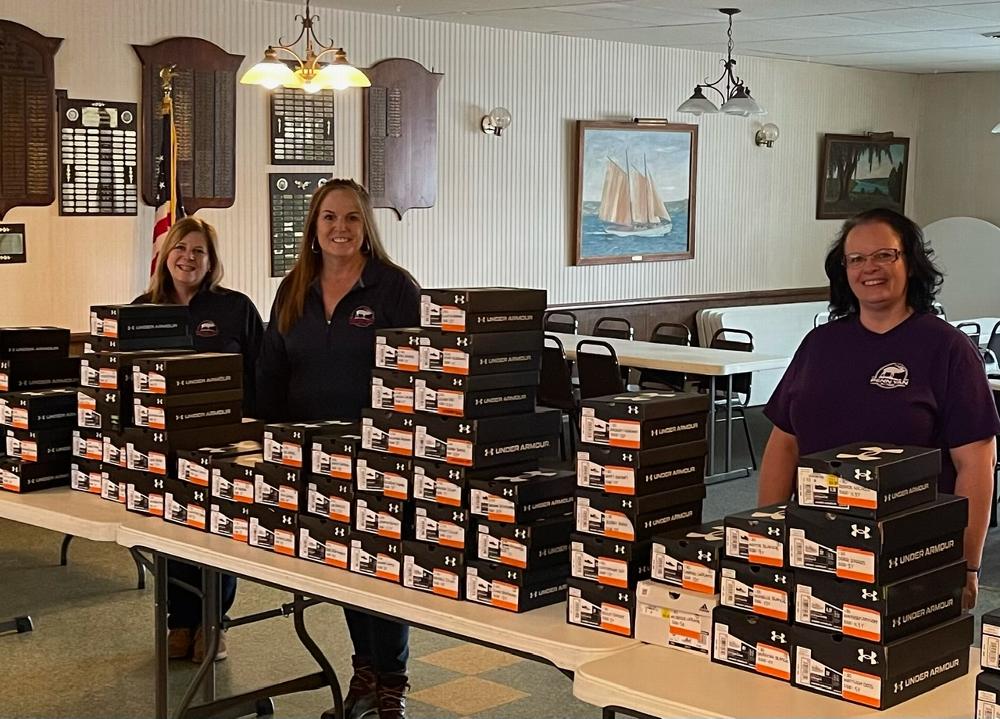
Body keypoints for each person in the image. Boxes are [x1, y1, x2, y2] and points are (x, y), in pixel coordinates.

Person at [758, 207, 999, 610]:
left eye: (885, 255)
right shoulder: (820, 345)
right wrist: (767, 535)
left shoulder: (947, 348)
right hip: (816, 543)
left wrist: (966, 565)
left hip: (910, 552)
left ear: (911, 263)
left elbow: (977, 463)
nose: (869, 268)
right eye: (856, 259)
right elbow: (783, 445)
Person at [257, 178, 420, 719]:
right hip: (310, 458)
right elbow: (272, 371)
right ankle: (364, 678)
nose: (340, 228)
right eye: (329, 217)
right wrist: (268, 445)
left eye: (351, 217)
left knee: (382, 569)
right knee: (347, 569)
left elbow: (418, 374)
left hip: (380, 456)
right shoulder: (293, 288)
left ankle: (391, 686)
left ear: (366, 226)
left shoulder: (394, 288)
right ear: (314, 226)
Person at [135, 216, 264, 662]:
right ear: (165, 254)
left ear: (211, 261)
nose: (187, 258)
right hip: (164, 445)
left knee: (218, 533)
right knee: (171, 531)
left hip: (224, 444)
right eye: (180, 248)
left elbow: (262, 369)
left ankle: (213, 623)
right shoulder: (143, 310)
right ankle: (181, 622)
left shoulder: (235, 308)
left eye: (198, 251)